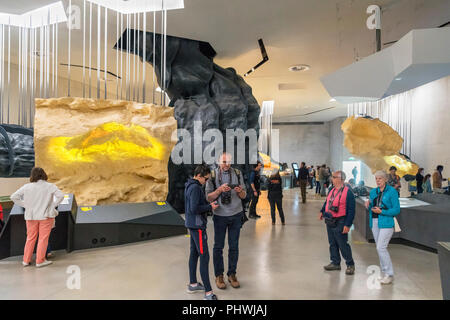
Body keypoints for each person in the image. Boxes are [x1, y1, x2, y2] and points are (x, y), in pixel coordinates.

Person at [206, 152, 246, 290]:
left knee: (234, 246)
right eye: (224, 161)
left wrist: (240, 191)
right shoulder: (212, 175)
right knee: (218, 247)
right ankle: (219, 275)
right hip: (219, 216)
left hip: (236, 214)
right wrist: (219, 190)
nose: (226, 164)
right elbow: (208, 198)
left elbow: (244, 195)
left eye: (228, 161)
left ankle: (232, 274)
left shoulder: (237, 173)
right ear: (218, 162)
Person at [10, 167, 64, 268]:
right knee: (43, 239)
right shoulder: (50, 186)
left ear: (32, 175)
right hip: (46, 216)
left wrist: (25, 204)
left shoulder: (27, 187)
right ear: (44, 174)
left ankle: (26, 260)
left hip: (31, 216)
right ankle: (40, 261)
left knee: (30, 238)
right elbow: (61, 196)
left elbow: (13, 197)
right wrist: (53, 205)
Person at [184, 164, 219, 300]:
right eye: (205, 179)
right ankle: (208, 293)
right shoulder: (195, 188)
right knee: (204, 257)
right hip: (198, 227)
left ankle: (193, 284)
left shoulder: (189, 185)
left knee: (194, 253)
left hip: (192, 225)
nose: (206, 182)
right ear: (199, 176)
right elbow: (194, 208)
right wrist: (210, 206)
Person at [365, 171, 400, 285]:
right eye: (376, 179)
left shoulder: (392, 191)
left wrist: (382, 211)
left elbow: (396, 210)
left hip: (386, 222)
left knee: (381, 247)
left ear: (385, 179)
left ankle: (389, 274)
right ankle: (385, 272)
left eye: (380, 178)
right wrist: (368, 204)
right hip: (374, 221)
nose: (378, 180)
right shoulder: (373, 192)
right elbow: (372, 206)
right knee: (379, 248)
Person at [318, 170, 356, 275]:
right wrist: (322, 211)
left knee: (343, 244)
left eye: (334, 177)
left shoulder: (348, 192)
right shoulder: (331, 190)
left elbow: (351, 210)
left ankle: (350, 264)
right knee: (332, 243)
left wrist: (347, 224)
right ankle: (335, 263)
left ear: (341, 179)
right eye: (332, 177)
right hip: (329, 220)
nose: (332, 178)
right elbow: (327, 202)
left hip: (341, 221)